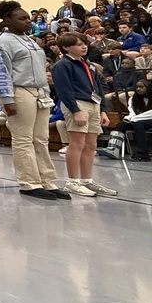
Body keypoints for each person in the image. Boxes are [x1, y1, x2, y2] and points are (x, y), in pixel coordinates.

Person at [0, 0, 69, 201]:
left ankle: (47, 181)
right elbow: (1, 73)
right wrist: (7, 99)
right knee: (23, 139)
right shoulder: (2, 43)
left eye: (28, 18)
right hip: (19, 92)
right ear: (7, 20)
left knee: (41, 139)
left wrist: (44, 90)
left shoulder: (30, 40)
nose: (28, 21)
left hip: (39, 92)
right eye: (22, 18)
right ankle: (29, 183)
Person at [50, 32, 116, 197]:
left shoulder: (88, 64)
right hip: (78, 104)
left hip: (93, 104)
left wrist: (102, 109)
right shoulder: (62, 65)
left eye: (84, 43)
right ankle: (73, 181)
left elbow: (98, 86)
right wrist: (75, 110)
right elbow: (63, 90)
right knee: (77, 144)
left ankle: (87, 180)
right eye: (79, 44)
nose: (84, 46)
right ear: (66, 47)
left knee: (91, 145)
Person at [101, 78, 152, 161]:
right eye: (137, 87)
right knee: (121, 125)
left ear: (149, 88)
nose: (138, 89)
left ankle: (143, 153)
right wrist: (131, 119)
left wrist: (134, 119)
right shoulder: (133, 99)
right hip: (137, 120)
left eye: (141, 87)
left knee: (139, 124)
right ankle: (113, 148)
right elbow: (132, 112)